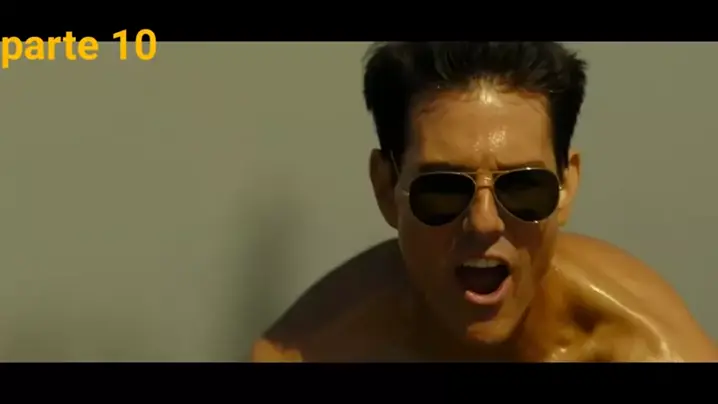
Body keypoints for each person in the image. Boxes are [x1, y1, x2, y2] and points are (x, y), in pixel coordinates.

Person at [251, 42, 718, 362]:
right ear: (386, 188)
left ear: (566, 186)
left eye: (523, 188)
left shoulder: (649, 351)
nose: (484, 221)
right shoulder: (313, 354)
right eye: (443, 190)